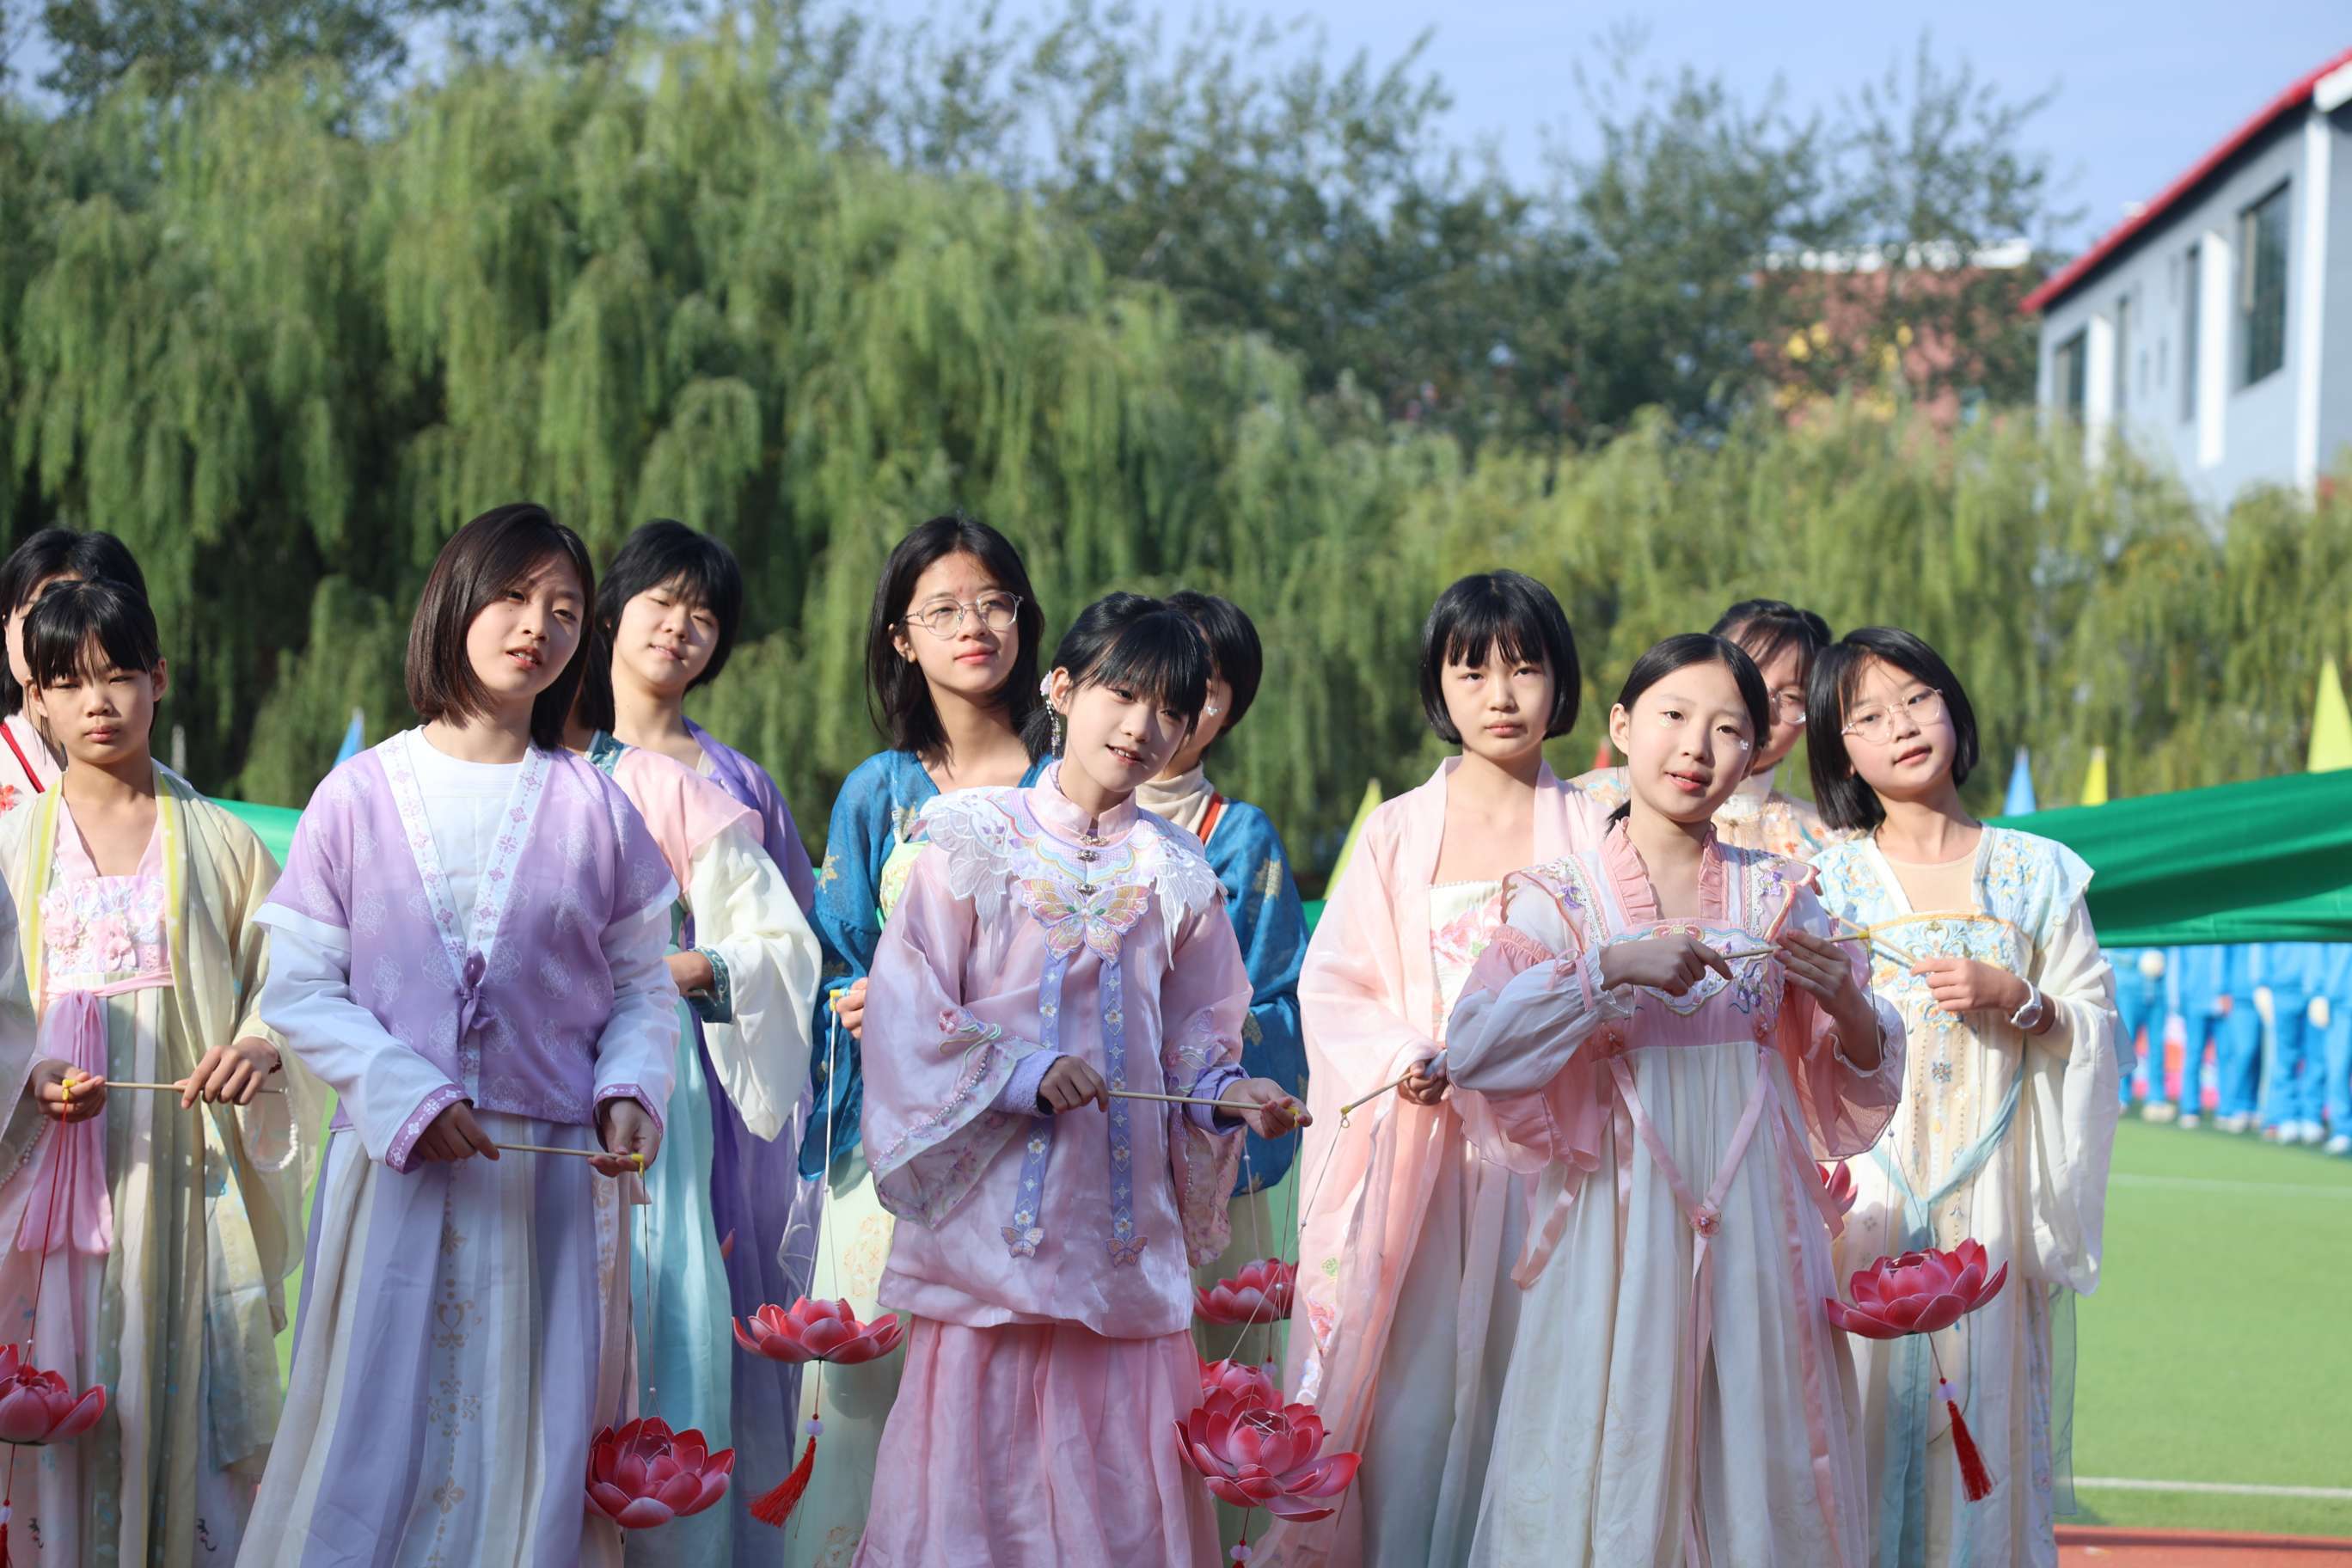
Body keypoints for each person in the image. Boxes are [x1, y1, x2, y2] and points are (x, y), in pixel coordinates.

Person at [240, 503, 680, 1567]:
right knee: (370, 1428)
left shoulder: (598, 808)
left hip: (543, 1182)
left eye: (566, 609)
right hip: (395, 1166)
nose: (539, 625)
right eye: (514, 596)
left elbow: (642, 988)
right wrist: (405, 1091)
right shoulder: (356, 797)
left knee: (525, 1439)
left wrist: (630, 1087)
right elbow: (300, 985)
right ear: (455, 601)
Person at [852, 592, 1304, 1567]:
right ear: (1061, 689)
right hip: (990, 1238)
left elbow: (1198, 1038)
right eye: (1122, 694)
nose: (1143, 727)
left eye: (1171, 711)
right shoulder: (970, 838)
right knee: (977, 1487)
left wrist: (1234, 1096)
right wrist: (1018, 1071)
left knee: (1119, 1489)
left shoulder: (1179, 872)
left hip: (1119, 1234)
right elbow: (906, 1004)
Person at [1438, 632, 1903, 1565]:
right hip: (1614, 1230)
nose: (1697, 747)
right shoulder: (1561, 902)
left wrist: (1852, 1007)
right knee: (1612, 1430)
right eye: (1674, 717)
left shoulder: (1783, 897)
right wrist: (1605, 970)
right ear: (1622, 726)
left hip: (1758, 1226)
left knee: (1758, 1437)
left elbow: (1854, 1069)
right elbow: (1476, 1048)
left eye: (1729, 729)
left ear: (1755, 751)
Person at [1271, 570, 1605, 1568]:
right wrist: (1404, 1057)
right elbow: (1335, 985)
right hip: (1427, 1164)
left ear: (1562, 682)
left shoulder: (1603, 830)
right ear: (1438, 687)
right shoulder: (1396, 832)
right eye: (1473, 672)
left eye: (1525, 669)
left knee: (1546, 1376)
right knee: (1414, 1396)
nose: (1501, 696)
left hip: (1555, 1164)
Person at [0, 579, 317, 1565]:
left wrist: (257, 1046)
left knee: (191, 1406)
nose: (97, 702)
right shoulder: (10, 845)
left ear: (160, 679)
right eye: (68, 682)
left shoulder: (224, 844)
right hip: (47, 1188)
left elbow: (296, 981)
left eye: (119, 675)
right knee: (54, 1386)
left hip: (190, 1177)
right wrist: (27, 1074)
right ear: (35, 698)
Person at [1808, 627, 2119, 1568]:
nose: (1902, 725)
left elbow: (2096, 1026)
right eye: (1868, 716)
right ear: (1842, 754)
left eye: (1917, 698)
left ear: (1954, 709)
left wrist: (2018, 999)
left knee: (1986, 1426)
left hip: (1995, 1208)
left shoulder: (2039, 873)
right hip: (1866, 1208)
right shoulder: (1824, 884)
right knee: (1852, 1425)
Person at [799, 514, 1048, 1559]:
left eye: (992, 603)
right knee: (872, 1381)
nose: (973, 627)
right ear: (902, 639)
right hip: (898, 1136)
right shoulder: (879, 791)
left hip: (1037, 1137)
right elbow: (833, 954)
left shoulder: (1065, 782)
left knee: (1021, 1392)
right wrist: (851, 997)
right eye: (942, 610)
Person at [581, 519, 829, 1559]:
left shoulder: (737, 783)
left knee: (709, 1307)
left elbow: (795, 942)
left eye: (704, 616)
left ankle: (722, 1532)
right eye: (661, 602)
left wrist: (690, 972)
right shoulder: (552, 757)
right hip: (569, 1067)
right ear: (610, 614)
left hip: (714, 1087)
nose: (679, 628)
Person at [1138, 591, 1308, 1382]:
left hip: (1205, 1138)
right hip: (1087, 1127)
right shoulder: (1059, 819)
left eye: (1206, 689)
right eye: (1162, 676)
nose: (1180, 705)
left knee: (1220, 1371)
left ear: (1232, 708)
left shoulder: (1240, 837)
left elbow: (1276, 996)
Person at [1575, 597, 1845, 859]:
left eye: (1792, 697)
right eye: (1747, 677)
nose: (1763, 706)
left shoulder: (1829, 847)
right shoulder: (1585, 803)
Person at [0, 530, 149, 812]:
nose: (50, 636)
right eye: (32, 617)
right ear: (6, 627)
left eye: (75, 618)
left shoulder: (177, 802)